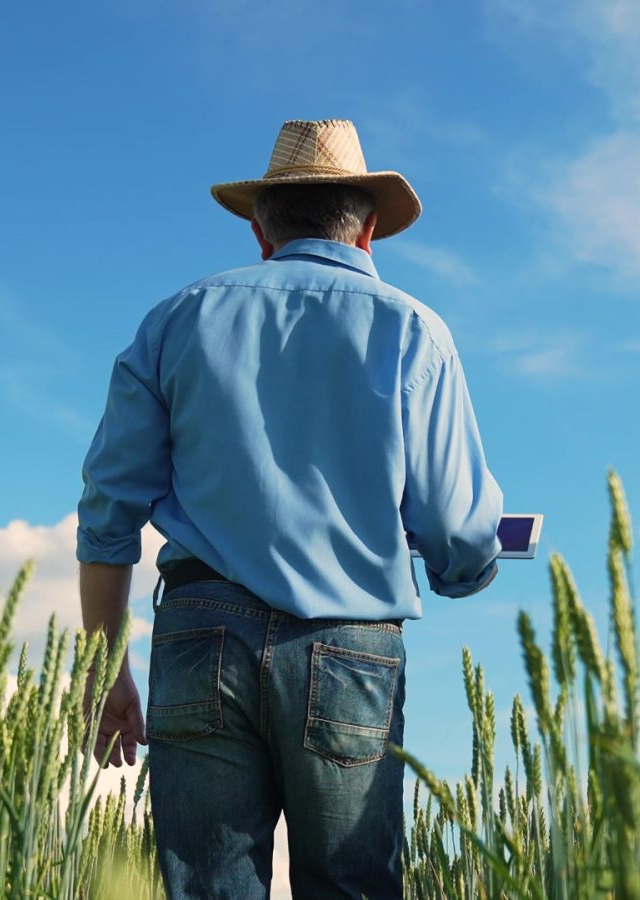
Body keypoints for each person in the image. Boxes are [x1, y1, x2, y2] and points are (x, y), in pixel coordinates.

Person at [76, 118, 503, 898]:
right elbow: (458, 531)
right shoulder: (414, 329)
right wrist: (459, 570)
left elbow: (108, 510)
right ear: (369, 228)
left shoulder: (177, 319)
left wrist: (104, 669)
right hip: (348, 645)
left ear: (259, 229)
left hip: (199, 634)